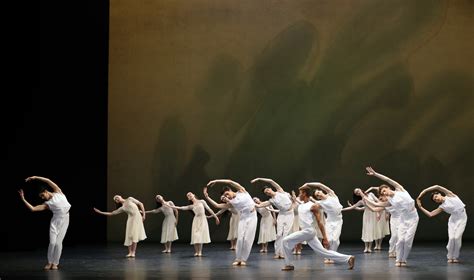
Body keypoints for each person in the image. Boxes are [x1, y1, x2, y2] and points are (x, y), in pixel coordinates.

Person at [281, 185, 355, 271]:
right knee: (323, 252)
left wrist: (325, 238)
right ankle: (348, 258)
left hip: (309, 231)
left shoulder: (313, 206)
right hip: (306, 232)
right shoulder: (301, 205)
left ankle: (288, 265)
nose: (299, 195)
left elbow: (320, 222)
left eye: (300, 193)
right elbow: (302, 223)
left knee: (285, 240)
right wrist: (299, 239)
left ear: (304, 194)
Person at [362, 167, 419, 267]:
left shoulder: (399, 189)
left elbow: (387, 179)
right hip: (403, 219)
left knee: (408, 241)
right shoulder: (390, 202)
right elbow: (377, 205)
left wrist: (375, 174)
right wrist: (365, 198)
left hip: (413, 217)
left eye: (384, 190)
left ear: (388, 188)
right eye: (382, 193)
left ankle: (403, 260)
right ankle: (398, 259)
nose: (384, 193)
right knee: (400, 240)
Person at [19, 176, 71, 270]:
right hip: (55, 222)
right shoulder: (47, 204)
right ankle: (49, 262)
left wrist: (35, 177)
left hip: (65, 219)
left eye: (43, 195)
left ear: (46, 191)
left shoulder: (58, 192)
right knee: (52, 243)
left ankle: (55, 263)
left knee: (58, 243)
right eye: (41, 197)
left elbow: (48, 180)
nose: (43, 198)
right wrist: (23, 199)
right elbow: (33, 209)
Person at [204, 179, 257, 266]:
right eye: (225, 196)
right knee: (240, 239)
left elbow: (230, 182)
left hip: (252, 216)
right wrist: (207, 197)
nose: (227, 196)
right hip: (243, 218)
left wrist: (216, 181)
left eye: (227, 194)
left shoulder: (242, 191)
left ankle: (243, 259)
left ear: (230, 190)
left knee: (247, 239)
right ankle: (238, 258)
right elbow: (217, 206)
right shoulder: (231, 203)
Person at [417, 185, 467, 263]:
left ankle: (455, 256)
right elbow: (431, 214)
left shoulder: (450, 195)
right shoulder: (442, 207)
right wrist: (420, 207)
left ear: (440, 194)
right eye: (435, 200)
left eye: (436, 196)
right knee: (451, 238)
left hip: (462, 217)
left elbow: (437, 187)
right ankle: (450, 256)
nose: (436, 199)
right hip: (453, 220)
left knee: (457, 238)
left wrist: (425, 191)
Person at [251, 178, 294, 259]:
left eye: (267, 190)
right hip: (281, 215)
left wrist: (258, 179)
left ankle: (283, 253)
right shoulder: (271, 201)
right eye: (265, 192)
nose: (267, 191)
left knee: (285, 234)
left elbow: (271, 181)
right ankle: (278, 253)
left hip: (289, 214)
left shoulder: (280, 191)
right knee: (279, 234)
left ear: (270, 189)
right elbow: (259, 205)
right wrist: (251, 202)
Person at [165, 192, 219, 256]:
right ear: (188, 198)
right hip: (196, 220)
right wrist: (171, 206)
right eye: (188, 195)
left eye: (190, 194)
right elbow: (181, 207)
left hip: (202, 220)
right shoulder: (191, 206)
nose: (189, 195)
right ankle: (196, 252)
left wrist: (216, 217)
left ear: (193, 194)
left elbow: (209, 209)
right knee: (196, 236)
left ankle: (200, 252)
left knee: (200, 236)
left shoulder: (202, 201)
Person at [306, 182, 344, 264]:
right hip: (330, 221)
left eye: (319, 192)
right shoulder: (320, 203)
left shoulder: (331, 194)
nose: (319, 195)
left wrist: (308, 184)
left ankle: (332, 256)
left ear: (321, 191)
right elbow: (310, 206)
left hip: (338, 220)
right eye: (317, 195)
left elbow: (320, 185)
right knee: (329, 240)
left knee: (335, 240)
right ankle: (328, 256)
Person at [343, 187, 388, 253]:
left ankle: (369, 247)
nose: (358, 193)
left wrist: (379, 213)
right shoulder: (361, 201)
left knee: (371, 230)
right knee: (366, 230)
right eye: (356, 193)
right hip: (367, 216)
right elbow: (353, 207)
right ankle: (366, 247)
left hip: (373, 214)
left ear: (361, 190)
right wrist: (342, 209)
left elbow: (377, 202)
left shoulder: (371, 195)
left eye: (358, 191)